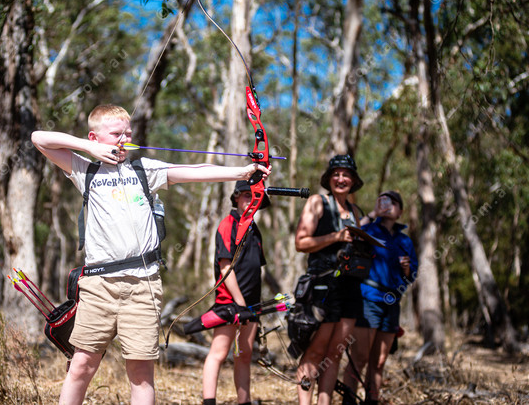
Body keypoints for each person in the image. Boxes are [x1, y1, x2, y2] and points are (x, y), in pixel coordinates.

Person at [31, 104, 270, 405]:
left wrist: (243, 171)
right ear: (94, 137)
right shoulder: (84, 169)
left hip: (143, 287)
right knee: (81, 366)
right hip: (98, 287)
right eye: (116, 134)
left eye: (128, 134)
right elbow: (38, 138)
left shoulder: (144, 170)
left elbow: (195, 172)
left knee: (141, 374)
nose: (124, 139)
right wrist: (87, 148)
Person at [293, 154, 365, 405]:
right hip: (322, 285)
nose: (341, 179)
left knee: (335, 353)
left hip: (351, 286)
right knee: (315, 351)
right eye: (336, 174)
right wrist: (335, 237)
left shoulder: (355, 211)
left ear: (353, 180)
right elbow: (301, 242)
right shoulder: (317, 202)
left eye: (346, 175)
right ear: (329, 178)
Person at [341, 191, 418, 405]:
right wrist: (373, 214)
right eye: (384, 201)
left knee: (380, 361)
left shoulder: (404, 240)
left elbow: (412, 275)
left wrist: (406, 268)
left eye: (394, 203)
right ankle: (348, 399)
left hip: (392, 304)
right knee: (360, 357)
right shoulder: (370, 229)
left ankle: (371, 400)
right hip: (368, 299)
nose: (389, 205)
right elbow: (351, 232)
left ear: (400, 211)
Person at [202, 181, 271, 405]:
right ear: (236, 198)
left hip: (251, 303)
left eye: (255, 196)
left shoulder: (254, 229)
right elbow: (225, 267)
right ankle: (209, 401)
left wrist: (250, 305)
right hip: (230, 302)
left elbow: (255, 268)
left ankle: (245, 401)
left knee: (244, 353)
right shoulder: (228, 224)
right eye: (245, 195)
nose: (250, 200)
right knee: (219, 352)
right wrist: (240, 303)